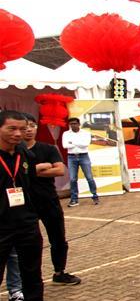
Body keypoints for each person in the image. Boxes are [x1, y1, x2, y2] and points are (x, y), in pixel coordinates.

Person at [0, 111, 67, 301]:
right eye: (12, 129)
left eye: (22, 128)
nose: (19, 133)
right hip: (1, 223)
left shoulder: (22, 153)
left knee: (32, 269)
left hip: (26, 221)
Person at [21, 114, 79, 284]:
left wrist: (30, 171)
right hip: (25, 203)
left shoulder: (47, 149)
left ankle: (59, 272)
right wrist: (40, 167)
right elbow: (17, 173)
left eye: (32, 125)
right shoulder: (16, 151)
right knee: (29, 243)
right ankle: (29, 280)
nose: (28, 130)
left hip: (48, 199)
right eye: (25, 127)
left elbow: (59, 171)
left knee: (58, 238)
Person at [62, 117, 99, 206]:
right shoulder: (66, 133)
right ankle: (74, 199)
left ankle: (95, 195)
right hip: (71, 157)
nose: (73, 125)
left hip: (83, 156)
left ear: (79, 124)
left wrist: (72, 143)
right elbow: (65, 145)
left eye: (75, 123)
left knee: (89, 177)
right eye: (71, 124)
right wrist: (78, 143)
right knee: (73, 179)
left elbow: (86, 144)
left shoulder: (85, 133)